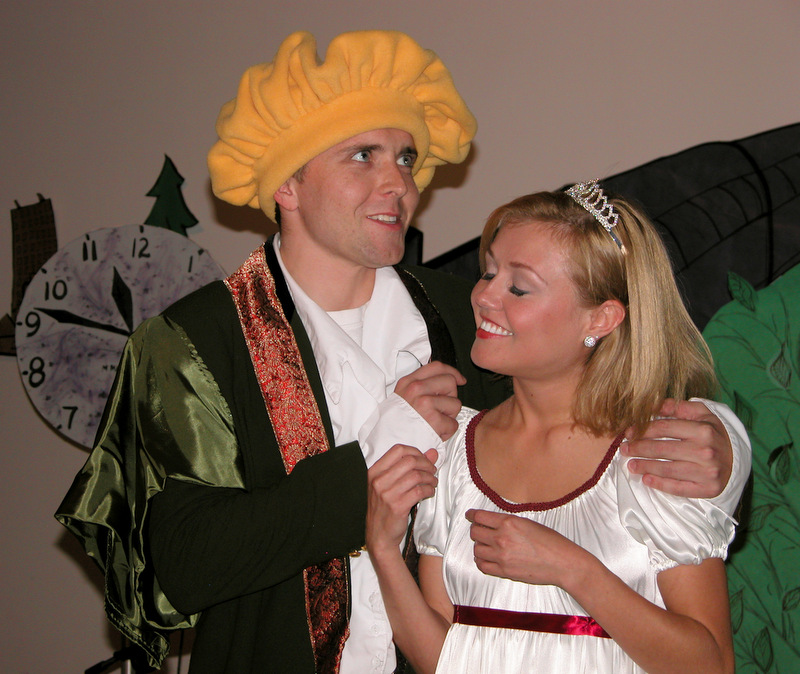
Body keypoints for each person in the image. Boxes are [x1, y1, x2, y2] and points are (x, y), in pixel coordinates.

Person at [55, 31, 744, 674]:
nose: (401, 184)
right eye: (364, 155)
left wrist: (724, 444)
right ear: (287, 184)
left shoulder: (465, 314)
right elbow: (176, 567)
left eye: (406, 158)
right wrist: (371, 464)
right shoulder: (193, 342)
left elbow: (590, 403)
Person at [366, 184, 750, 673]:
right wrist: (382, 546)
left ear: (601, 318)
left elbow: (710, 665)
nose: (483, 296)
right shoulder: (450, 450)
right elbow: (442, 658)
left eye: (519, 287)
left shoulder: (657, 456)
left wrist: (572, 569)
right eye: (489, 272)